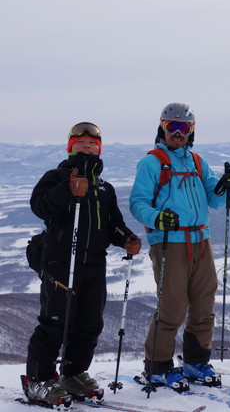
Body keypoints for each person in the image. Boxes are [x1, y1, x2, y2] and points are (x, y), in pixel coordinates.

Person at [24, 122, 141, 407]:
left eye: (92, 143)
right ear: (70, 146)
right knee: (54, 322)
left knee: (89, 323)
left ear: (99, 149)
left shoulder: (104, 188)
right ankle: (39, 378)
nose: (87, 146)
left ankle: (73, 372)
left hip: (94, 263)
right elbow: (39, 205)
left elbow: (113, 225)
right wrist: (67, 190)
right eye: (81, 142)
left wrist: (127, 239)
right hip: (61, 261)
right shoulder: (56, 176)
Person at [129, 103, 230, 391]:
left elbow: (215, 200)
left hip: (201, 240)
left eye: (183, 128)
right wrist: (157, 218)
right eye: (171, 127)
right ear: (162, 128)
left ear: (191, 131)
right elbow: (138, 203)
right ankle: (158, 366)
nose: (177, 133)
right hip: (169, 242)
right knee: (173, 305)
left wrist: (228, 186)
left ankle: (196, 361)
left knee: (204, 303)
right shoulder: (152, 162)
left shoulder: (198, 162)